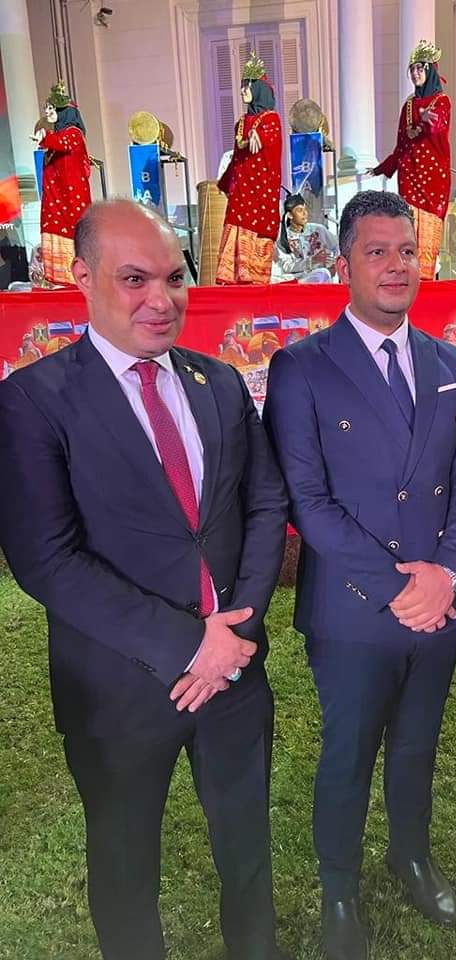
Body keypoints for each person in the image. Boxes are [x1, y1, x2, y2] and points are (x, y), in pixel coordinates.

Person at [0, 199, 290, 960]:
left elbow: (265, 504)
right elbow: (45, 558)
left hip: (235, 671)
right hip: (119, 689)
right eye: (135, 279)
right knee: (125, 865)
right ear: (81, 276)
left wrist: (236, 630)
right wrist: (189, 645)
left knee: (247, 851)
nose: (161, 300)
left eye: (173, 277)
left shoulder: (219, 382)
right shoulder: (33, 399)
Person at [264, 191, 456, 960]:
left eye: (406, 251)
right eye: (377, 252)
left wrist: (450, 574)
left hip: (440, 604)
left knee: (418, 744)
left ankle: (411, 857)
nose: (397, 266)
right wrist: (402, 587)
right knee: (350, 753)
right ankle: (339, 890)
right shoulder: (301, 367)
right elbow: (308, 502)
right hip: (356, 608)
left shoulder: (448, 360)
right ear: (343, 265)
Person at [370, 41, 451, 280]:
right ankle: (407, 280)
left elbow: (438, 128)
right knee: (407, 232)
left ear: (430, 70)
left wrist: (424, 121)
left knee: (427, 232)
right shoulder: (408, 105)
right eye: (412, 69)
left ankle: (426, 281)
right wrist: (382, 167)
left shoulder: (441, 101)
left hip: (432, 179)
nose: (415, 73)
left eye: (420, 68)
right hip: (409, 177)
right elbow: (401, 144)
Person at [217, 52, 282, 284]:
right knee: (236, 221)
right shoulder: (241, 123)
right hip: (241, 189)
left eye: (248, 85)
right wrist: (225, 182)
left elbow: (271, 140)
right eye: (242, 85)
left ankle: (254, 276)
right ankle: (233, 275)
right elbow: (237, 157)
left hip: (261, 189)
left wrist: (260, 135)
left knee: (257, 224)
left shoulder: (271, 119)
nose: (242, 90)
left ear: (259, 90)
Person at [32, 80, 92, 286]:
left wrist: (45, 137)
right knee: (54, 228)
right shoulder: (58, 136)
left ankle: (74, 276)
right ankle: (58, 276)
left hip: (70, 198)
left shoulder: (73, 134)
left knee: (72, 231)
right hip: (55, 198)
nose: (48, 114)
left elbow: (63, 144)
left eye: (52, 109)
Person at [272, 193, 339, 283]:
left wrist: (334, 263)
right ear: (290, 215)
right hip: (296, 278)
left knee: (322, 273)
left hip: (318, 275)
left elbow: (338, 246)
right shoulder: (283, 237)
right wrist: (311, 261)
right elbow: (286, 266)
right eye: (300, 210)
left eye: (305, 209)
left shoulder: (318, 229)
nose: (305, 213)